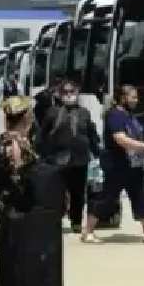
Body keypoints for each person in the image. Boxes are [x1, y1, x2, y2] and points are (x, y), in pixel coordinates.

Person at [82, 85, 144, 244]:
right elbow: (120, 139)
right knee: (107, 198)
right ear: (123, 98)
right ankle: (88, 231)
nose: (136, 100)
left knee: (141, 196)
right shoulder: (115, 115)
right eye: (133, 97)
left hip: (134, 166)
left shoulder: (130, 116)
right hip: (117, 165)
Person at [0, 96, 38, 286]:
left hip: (6, 209)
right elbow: (20, 179)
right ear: (26, 117)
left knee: (6, 260)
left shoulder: (4, 140)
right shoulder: (16, 145)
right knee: (14, 261)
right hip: (16, 211)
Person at [38, 79, 100, 231]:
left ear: (77, 93)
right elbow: (42, 136)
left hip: (80, 159)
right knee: (56, 192)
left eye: (72, 92)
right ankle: (55, 220)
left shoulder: (84, 112)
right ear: (59, 94)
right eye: (65, 92)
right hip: (57, 159)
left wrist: (97, 154)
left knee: (78, 193)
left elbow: (92, 135)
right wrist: (42, 156)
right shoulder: (52, 112)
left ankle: (76, 221)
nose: (69, 95)